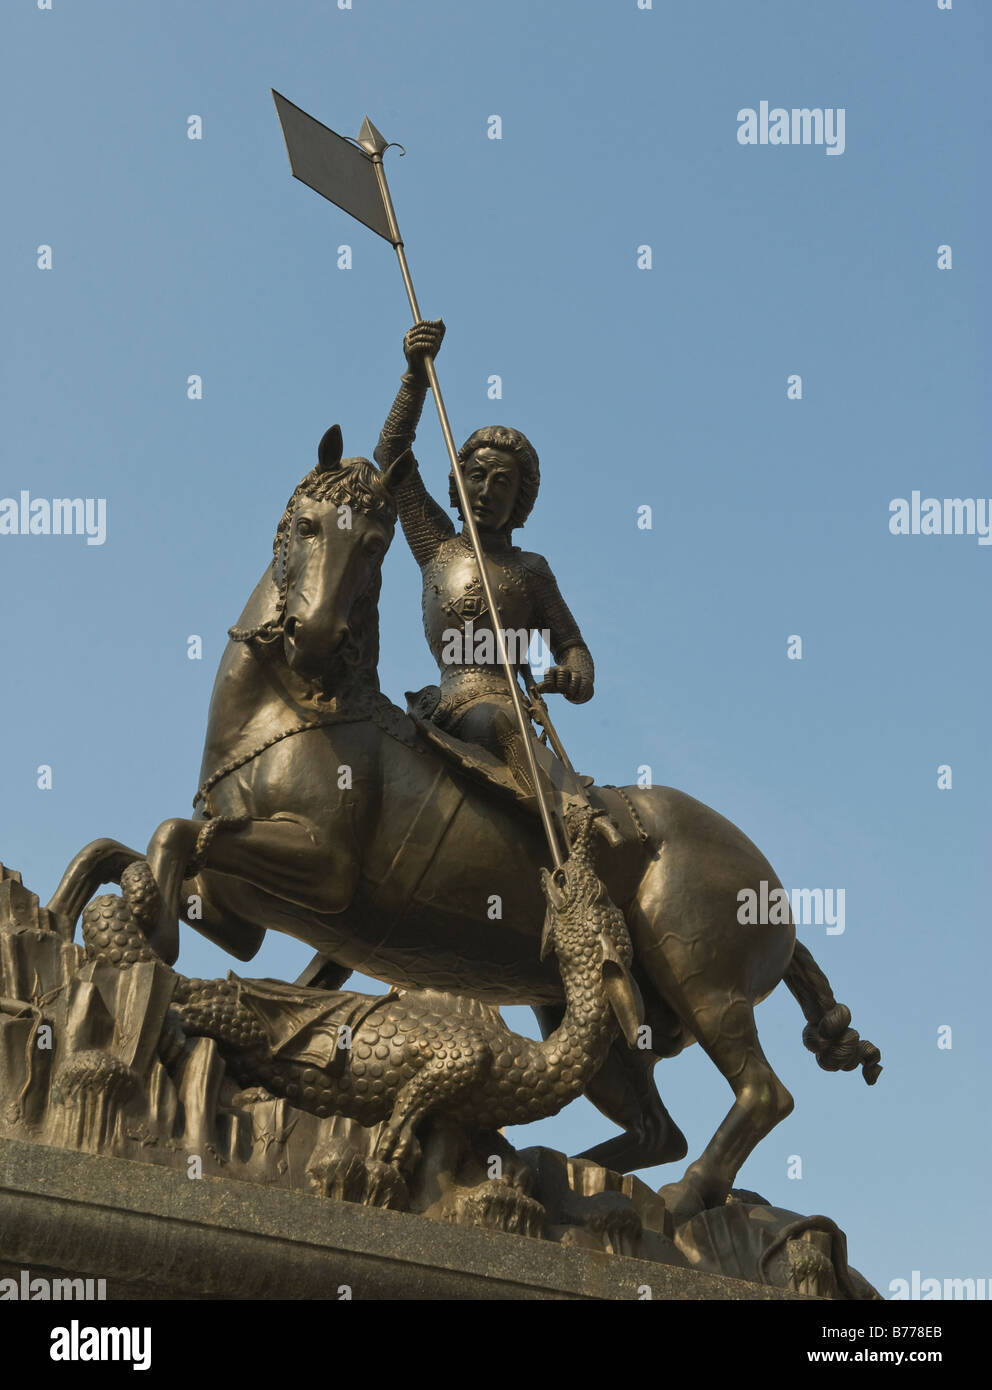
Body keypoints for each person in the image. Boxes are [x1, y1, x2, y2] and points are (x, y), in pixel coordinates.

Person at [374, 319, 595, 798]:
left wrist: (573, 676)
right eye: (477, 476)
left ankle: (571, 815)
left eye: (502, 484)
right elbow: (391, 451)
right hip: (440, 705)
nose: (486, 491)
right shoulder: (435, 543)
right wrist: (414, 377)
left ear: (519, 499)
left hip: (501, 708)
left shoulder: (531, 571)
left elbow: (573, 647)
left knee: (497, 720)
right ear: (459, 481)